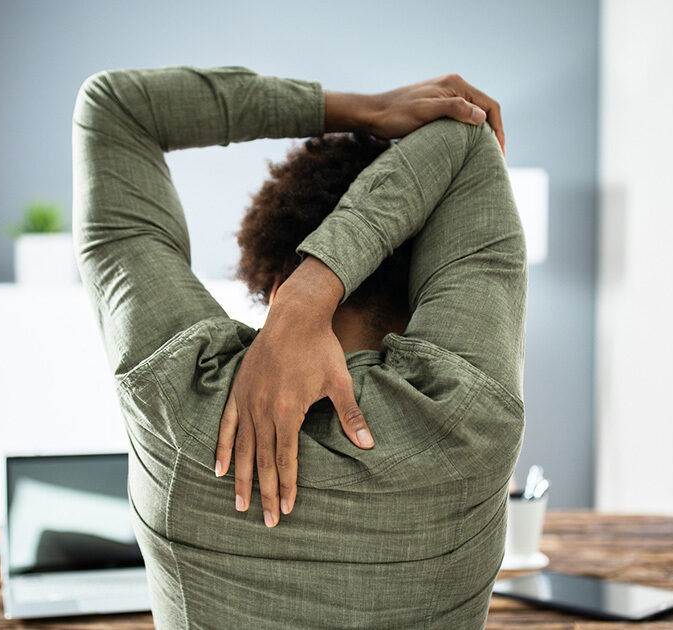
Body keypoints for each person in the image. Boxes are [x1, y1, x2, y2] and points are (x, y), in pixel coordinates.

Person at [73, 65, 527, 629]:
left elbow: (117, 107)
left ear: (275, 273)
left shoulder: (176, 391)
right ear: (428, 275)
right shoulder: (464, 412)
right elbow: (466, 132)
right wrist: (320, 284)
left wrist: (363, 107)